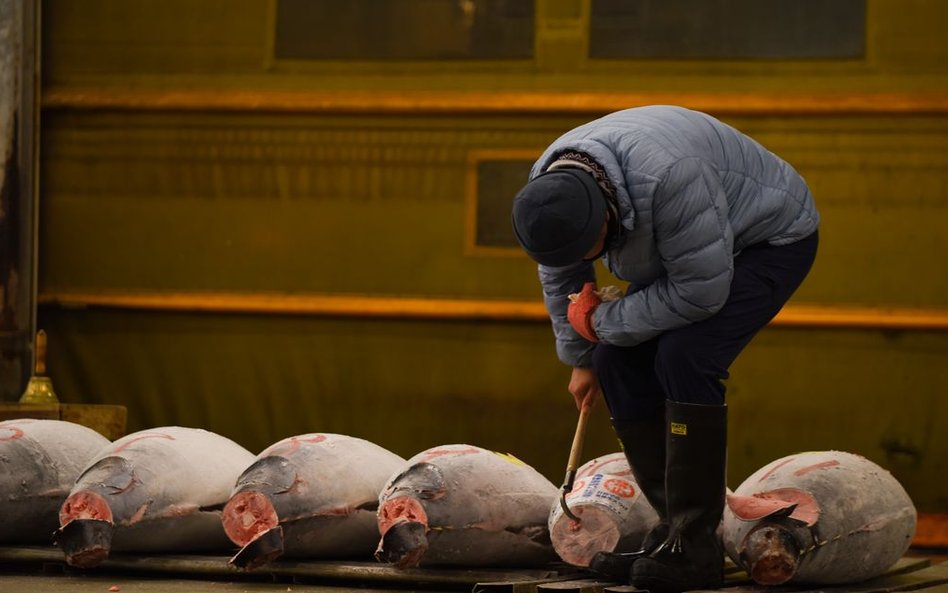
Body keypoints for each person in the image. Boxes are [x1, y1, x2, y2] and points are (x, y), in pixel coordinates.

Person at [510, 105, 819, 592]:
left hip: (767, 239)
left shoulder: (671, 177)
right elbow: (564, 280)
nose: (585, 260)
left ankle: (696, 550)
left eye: (590, 248)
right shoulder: (551, 192)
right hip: (684, 244)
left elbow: (700, 291)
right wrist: (582, 357)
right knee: (614, 360)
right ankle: (672, 534)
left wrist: (600, 321)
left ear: (604, 215)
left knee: (686, 356)